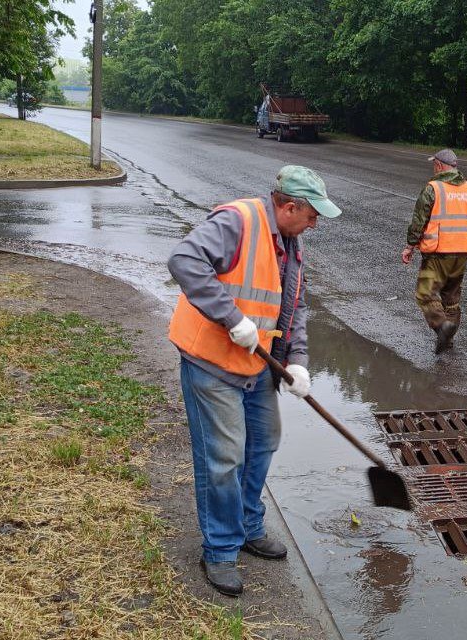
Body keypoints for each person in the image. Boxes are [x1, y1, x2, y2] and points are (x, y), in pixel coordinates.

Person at [167, 165, 341, 596]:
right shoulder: (238, 220)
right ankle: (221, 549)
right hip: (211, 362)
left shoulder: (293, 244)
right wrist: (231, 317)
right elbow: (184, 260)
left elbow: (295, 307)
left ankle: (246, 525)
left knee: (263, 441)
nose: (316, 222)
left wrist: (296, 362)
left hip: (256, 365)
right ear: (290, 207)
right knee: (223, 457)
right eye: (312, 213)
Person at [401, 148, 467, 353]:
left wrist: (410, 246)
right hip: (461, 256)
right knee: (451, 299)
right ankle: (447, 340)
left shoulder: (433, 188)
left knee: (425, 294)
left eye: (434, 164)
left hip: (438, 254)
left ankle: (441, 325)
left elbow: (419, 220)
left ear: (439, 165)